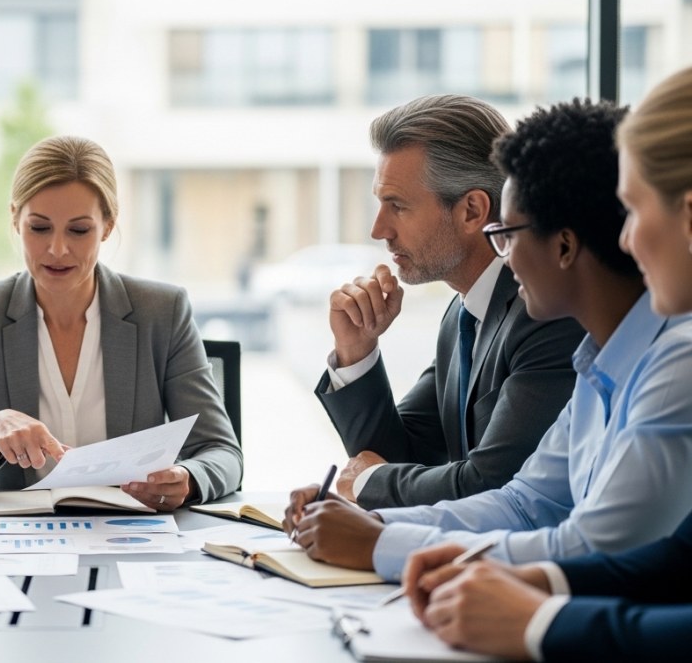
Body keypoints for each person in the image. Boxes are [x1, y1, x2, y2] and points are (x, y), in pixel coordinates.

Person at [290, 97, 692, 581]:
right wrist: (371, 524)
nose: (625, 238)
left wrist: (379, 538)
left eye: (507, 235)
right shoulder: (593, 362)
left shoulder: (667, 360)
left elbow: (587, 545)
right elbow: (524, 502)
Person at [402, 67, 692, 662]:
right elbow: (673, 557)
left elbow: (603, 545)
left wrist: (538, 621)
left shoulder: (680, 358)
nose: (627, 240)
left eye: (633, 212)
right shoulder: (599, 362)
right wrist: (541, 586)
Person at [0, 136, 242, 509]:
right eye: (39, 228)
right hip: (18, 540)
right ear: (15, 218)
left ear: (107, 226)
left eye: (79, 230)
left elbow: (222, 453)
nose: (58, 249)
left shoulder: (162, 311)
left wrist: (189, 479)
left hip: (131, 534)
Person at [307, 94, 584, 510]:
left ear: (472, 211)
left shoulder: (546, 314)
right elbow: (397, 457)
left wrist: (365, 483)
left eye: (396, 206)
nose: (378, 230)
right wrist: (356, 351)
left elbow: (493, 487)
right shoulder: (463, 314)